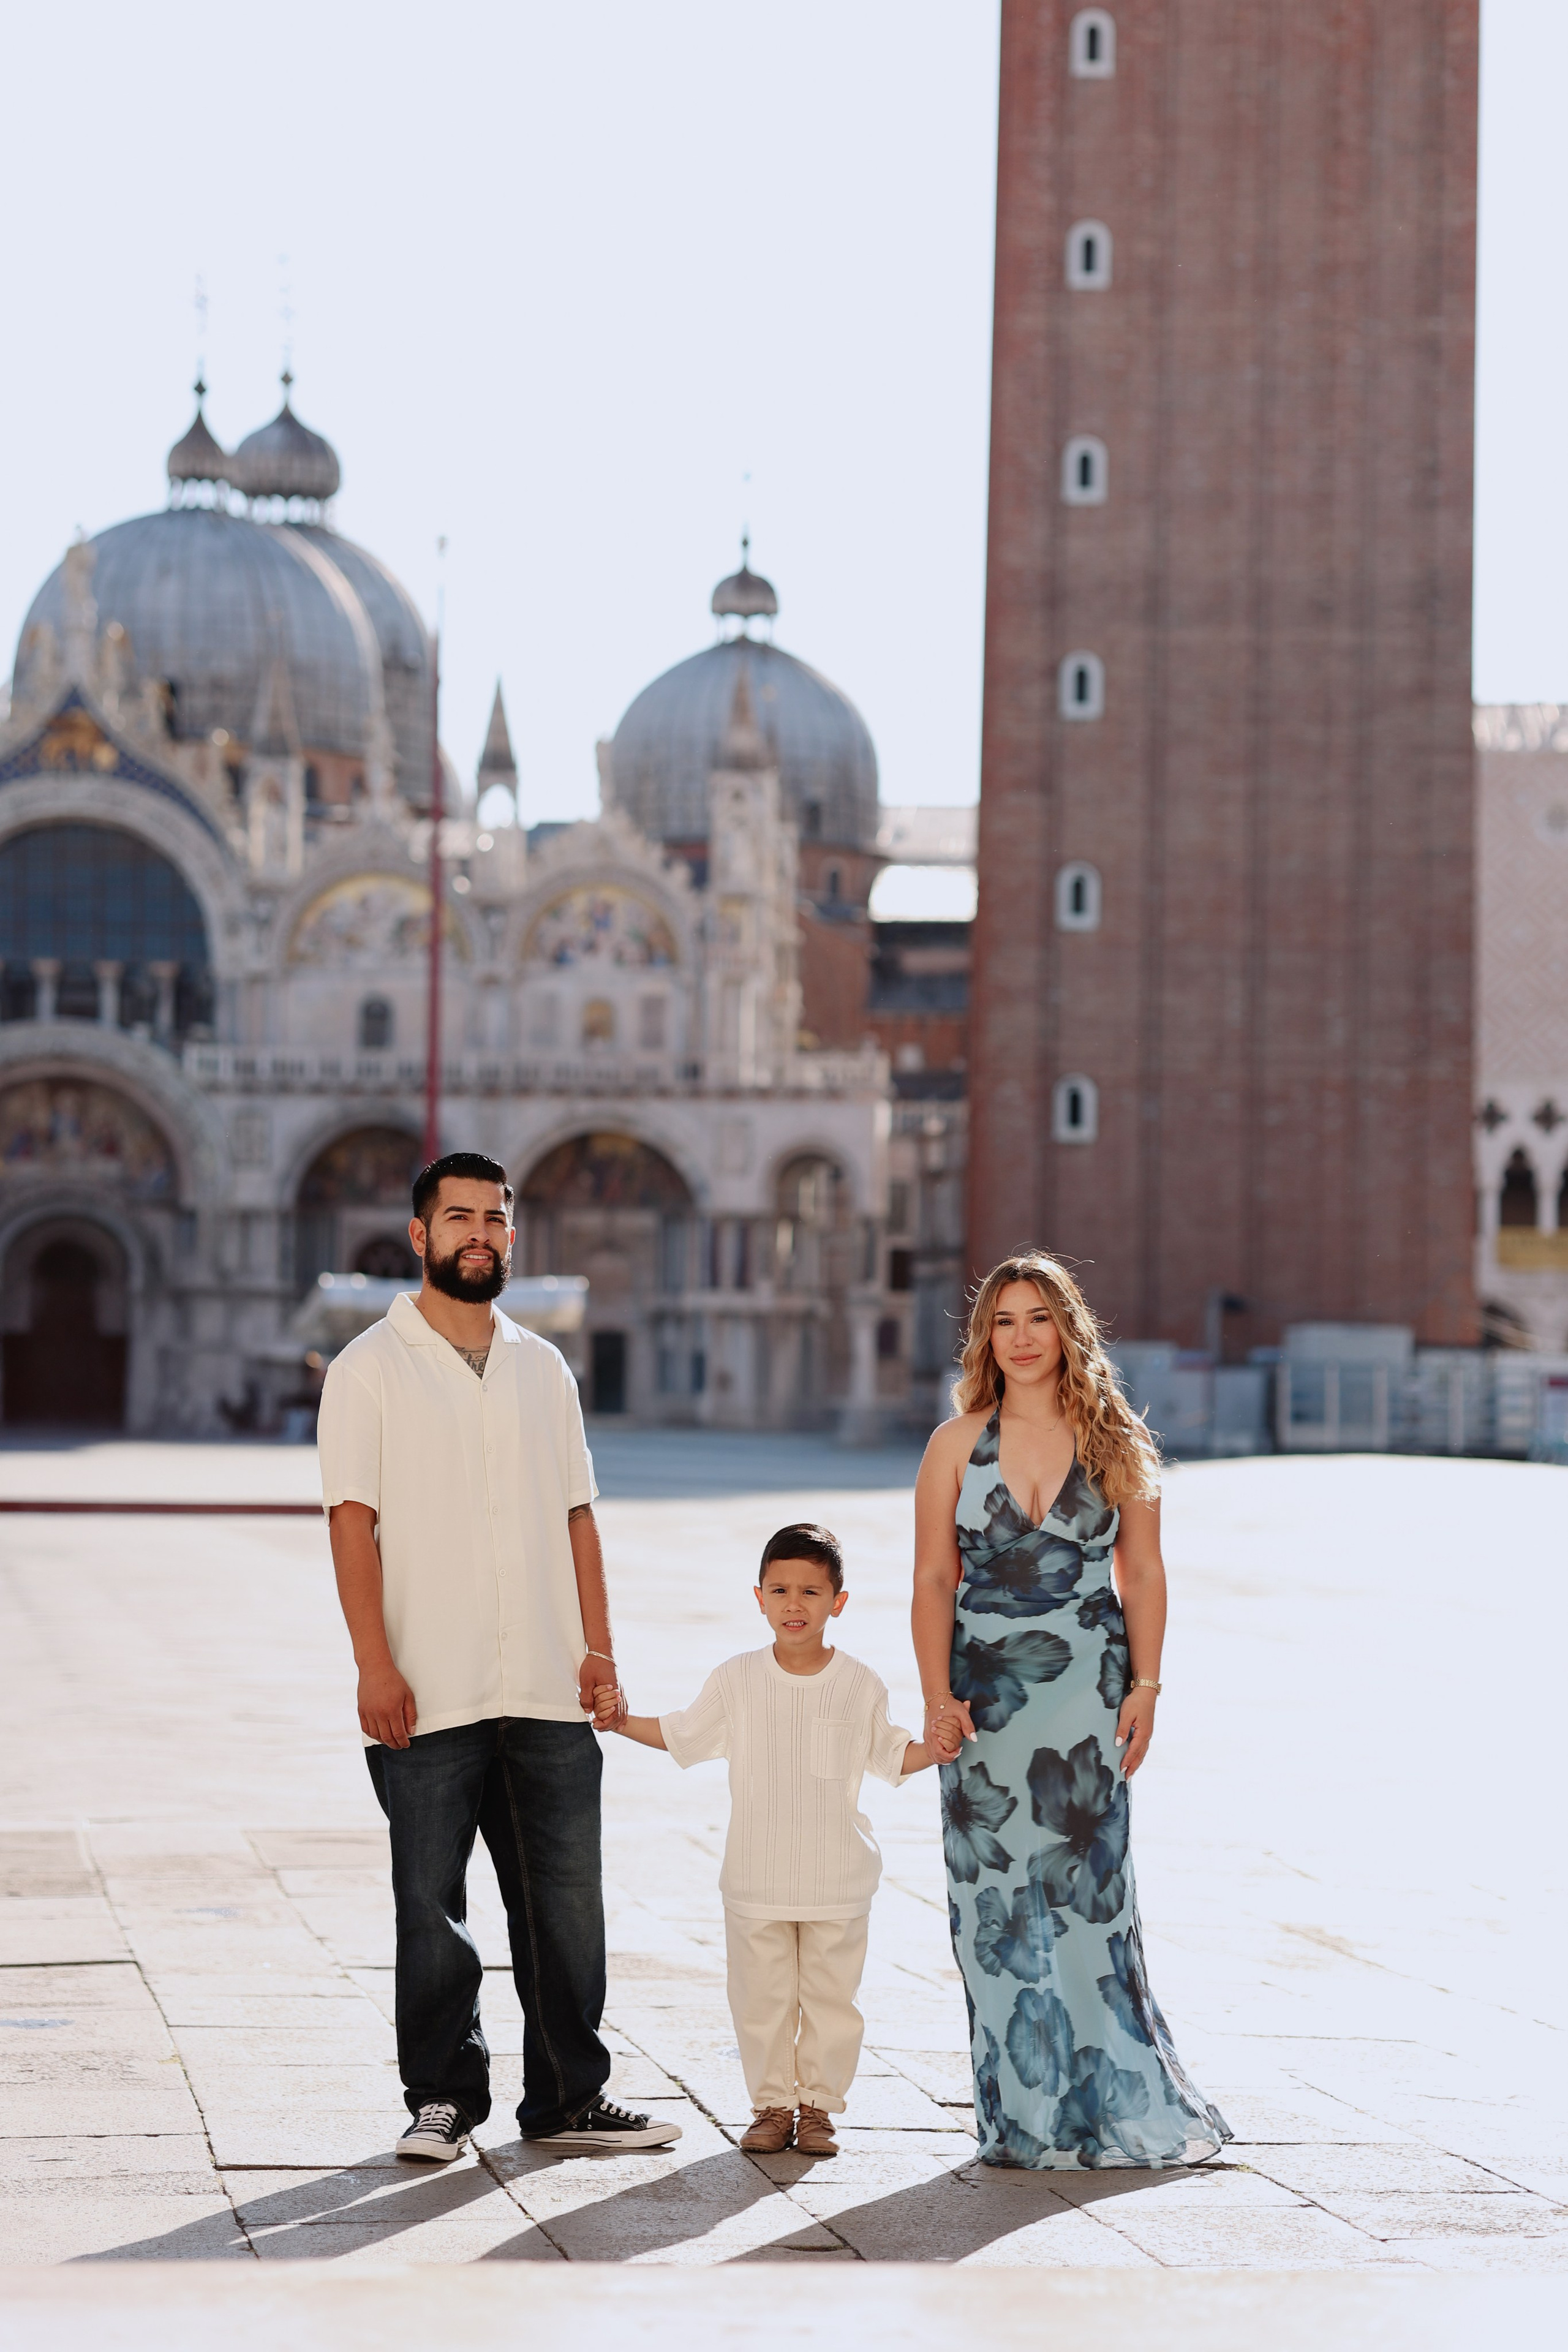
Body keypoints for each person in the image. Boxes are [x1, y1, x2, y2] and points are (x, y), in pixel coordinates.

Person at [317, 1149, 681, 2163]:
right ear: (420, 1234)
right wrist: (373, 1664)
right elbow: (352, 1524)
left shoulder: (543, 1368)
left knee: (566, 1909)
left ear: (511, 1236)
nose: (479, 1234)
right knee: (431, 1909)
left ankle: (569, 2098)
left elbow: (578, 1517)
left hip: (549, 1688)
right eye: (459, 1217)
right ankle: (442, 2098)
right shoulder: (367, 1369)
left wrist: (599, 1649)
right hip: (427, 1684)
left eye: (495, 1219)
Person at [912, 1251, 1231, 2169]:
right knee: (991, 1908)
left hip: (1089, 1693)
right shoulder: (953, 1444)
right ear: (985, 1338)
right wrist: (937, 1697)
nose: (1021, 1338)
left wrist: (1147, 1687)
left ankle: (1107, 2102)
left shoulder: (1115, 1439)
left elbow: (1145, 1573)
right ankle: (1022, 2117)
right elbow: (933, 1579)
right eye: (1004, 1321)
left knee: (1092, 1904)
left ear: (1067, 1330)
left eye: (1038, 1318)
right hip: (984, 1703)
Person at [597, 1523, 940, 2158]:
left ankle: (818, 2109)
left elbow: (892, 1756)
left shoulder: (860, 1683)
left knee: (833, 2002)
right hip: (755, 1878)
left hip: (838, 1879)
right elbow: (681, 1734)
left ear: (838, 1602)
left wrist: (938, 1750)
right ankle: (772, 2108)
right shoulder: (736, 1679)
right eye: (780, 1590)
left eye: (811, 1591)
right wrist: (619, 1721)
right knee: (761, 2002)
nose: (794, 1604)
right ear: (758, 1598)